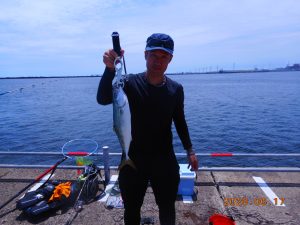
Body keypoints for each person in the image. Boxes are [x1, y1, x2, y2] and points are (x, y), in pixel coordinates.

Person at [97, 33, 198, 225]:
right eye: (154, 55)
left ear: (170, 59)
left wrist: (190, 150)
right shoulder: (128, 83)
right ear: (145, 55)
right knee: (132, 209)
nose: (158, 61)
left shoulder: (176, 89)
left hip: (164, 159)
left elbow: (180, 121)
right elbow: (102, 98)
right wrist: (109, 69)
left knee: (167, 208)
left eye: (163, 56)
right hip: (133, 158)